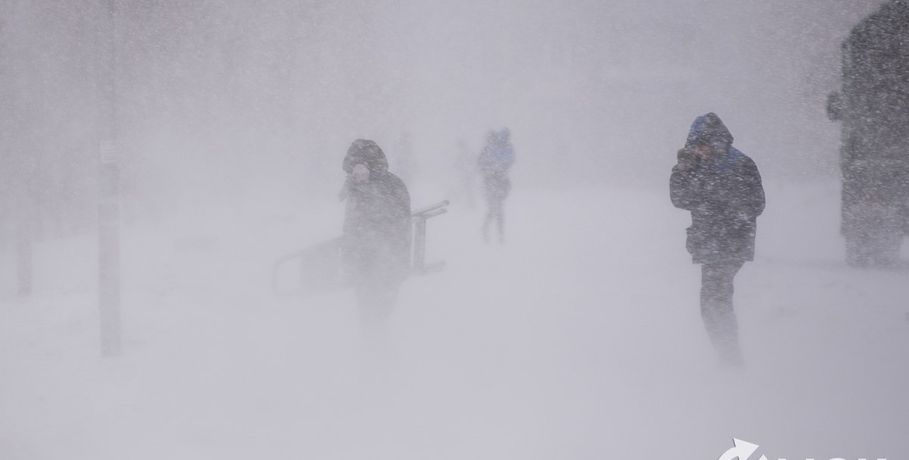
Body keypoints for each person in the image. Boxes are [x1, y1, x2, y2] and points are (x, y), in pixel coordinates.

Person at [670, 113, 765, 366]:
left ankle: (730, 359)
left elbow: (755, 204)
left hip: (731, 243)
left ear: (717, 141)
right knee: (713, 302)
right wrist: (681, 171)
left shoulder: (740, 164)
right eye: (696, 146)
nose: (701, 151)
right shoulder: (698, 166)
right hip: (711, 243)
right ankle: (729, 356)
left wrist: (718, 199)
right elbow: (679, 198)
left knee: (714, 301)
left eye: (703, 145)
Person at [340, 139, 412, 326]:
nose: (356, 173)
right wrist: (349, 259)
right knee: (369, 314)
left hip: (385, 260)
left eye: (360, 166)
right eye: (353, 169)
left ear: (370, 165)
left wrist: (399, 260)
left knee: (379, 312)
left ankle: (376, 346)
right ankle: (373, 346)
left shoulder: (390, 186)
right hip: (367, 262)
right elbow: (350, 226)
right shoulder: (356, 188)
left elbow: (402, 224)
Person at [477, 128, 515, 243]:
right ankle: (493, 233)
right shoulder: (492, 150)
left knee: (496, 210)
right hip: (494, 185)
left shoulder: (494, 150)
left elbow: (482, 166)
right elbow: (481, 166)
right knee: (496, 210)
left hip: (495, 185)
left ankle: (493, 232)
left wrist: (494, 172)